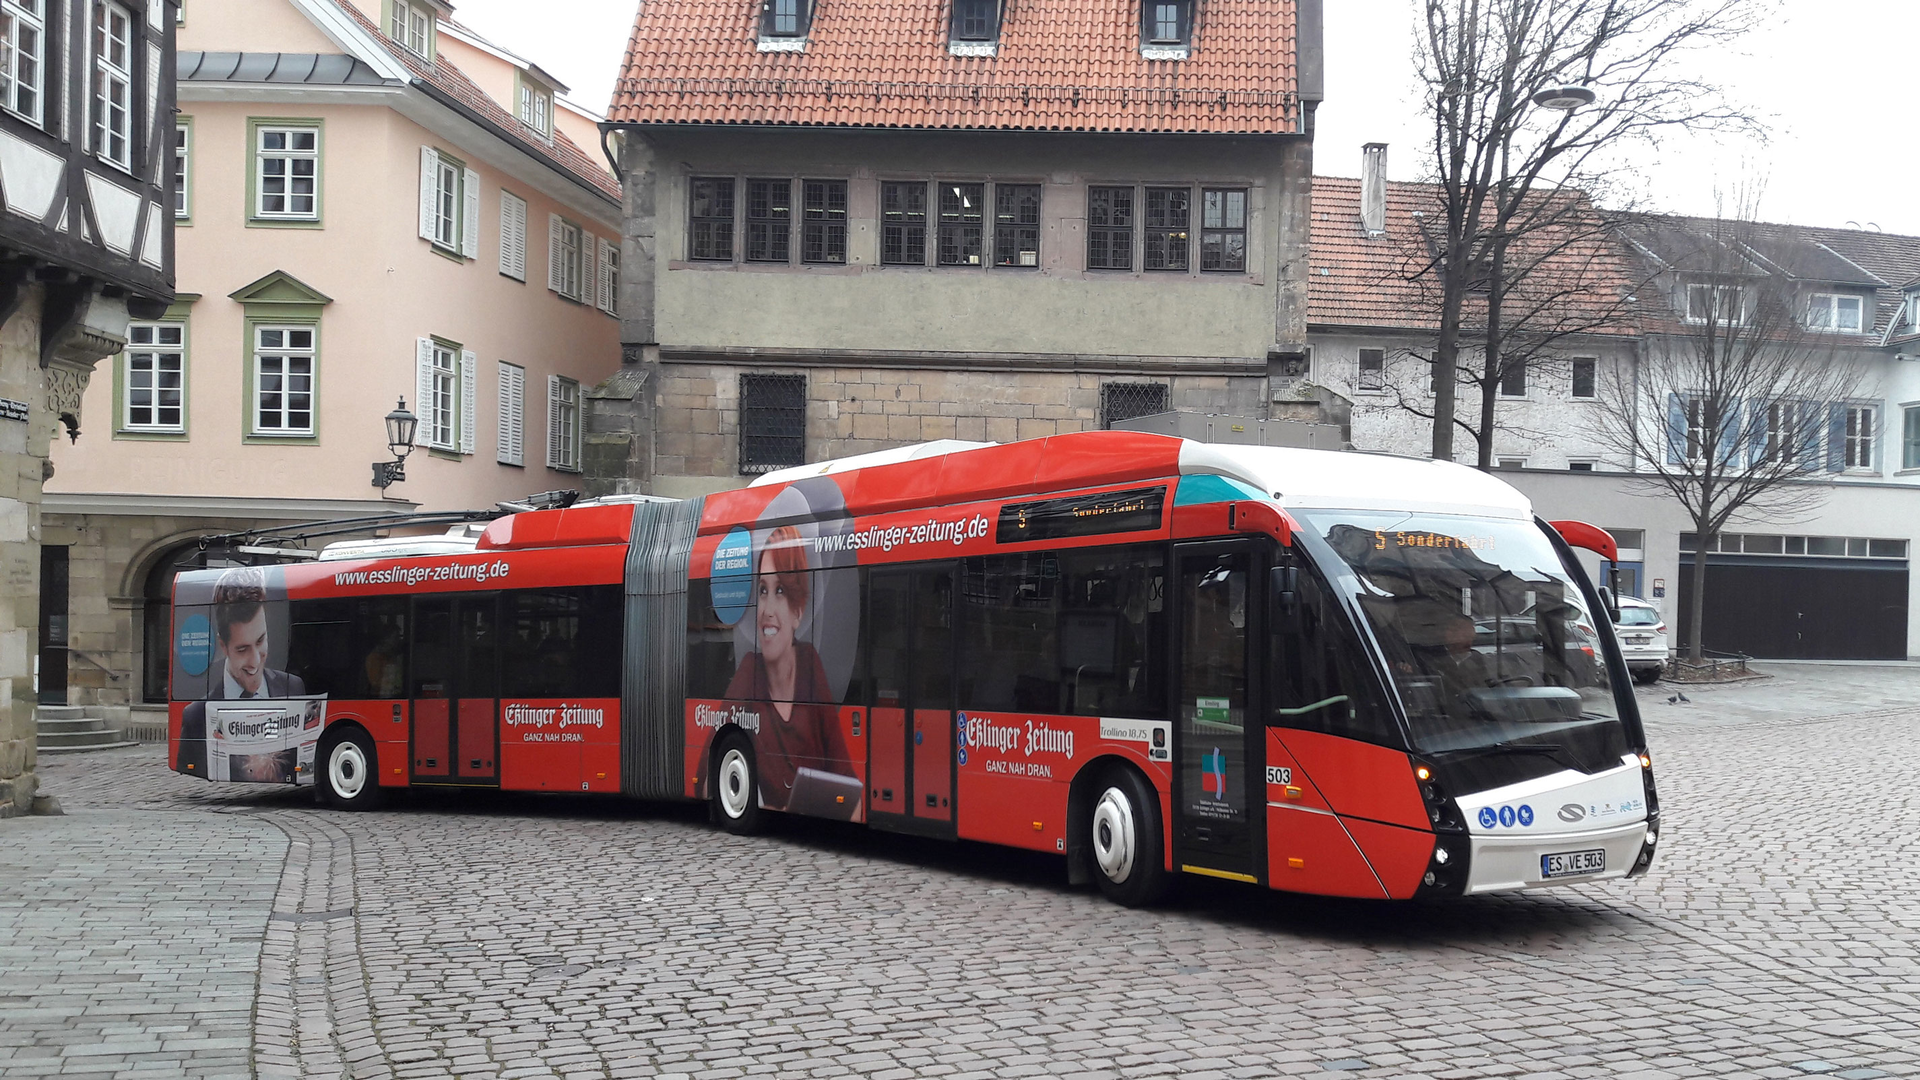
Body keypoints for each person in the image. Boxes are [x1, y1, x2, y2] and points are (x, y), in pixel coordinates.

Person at [721, 526, 852, 811]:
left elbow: (847, 780)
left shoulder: (810, 666)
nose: (766, 609)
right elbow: (704, 780)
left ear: (798, 611)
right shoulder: (748, 675)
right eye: (763, 590)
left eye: (779, 591)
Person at [177, 568, 307, 776]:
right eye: (242, 649)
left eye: (260, 640)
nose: (255, 661)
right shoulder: (195, 716)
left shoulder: (293, 687)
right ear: (223, 646)